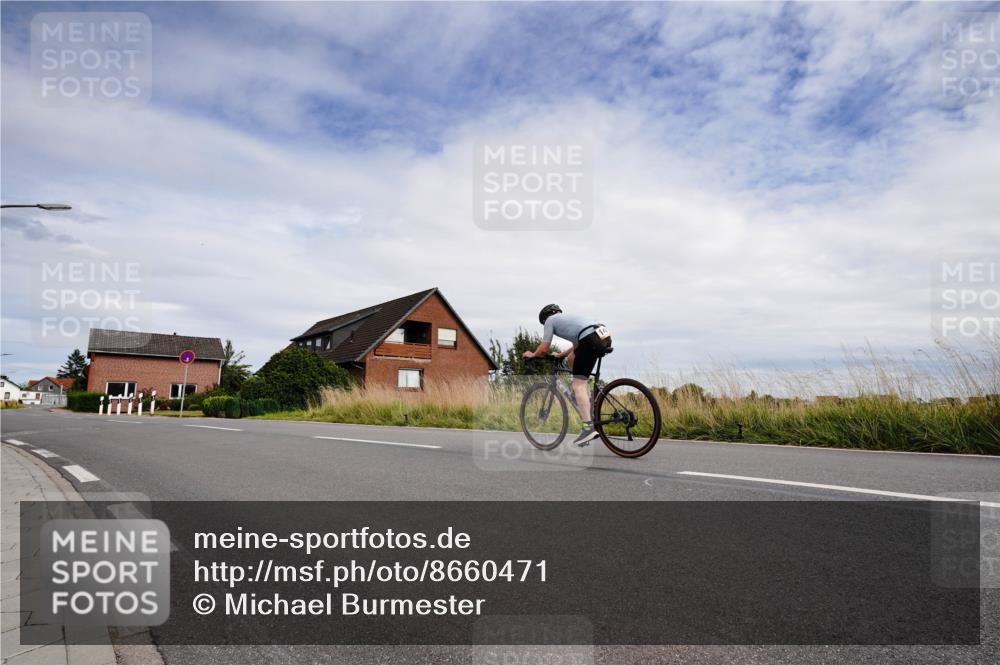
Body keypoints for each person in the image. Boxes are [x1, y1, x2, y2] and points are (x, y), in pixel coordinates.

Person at [522, 304, 613, 445]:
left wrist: (532, 354)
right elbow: (577, 347)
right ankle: (586, 401)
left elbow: (544, 348)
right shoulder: (570, 320)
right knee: (572, 359)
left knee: (578, 385)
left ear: (545, 318)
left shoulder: (550, 321)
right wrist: (560, 355)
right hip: (603, 335)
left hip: (590, 338)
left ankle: (587, 428)